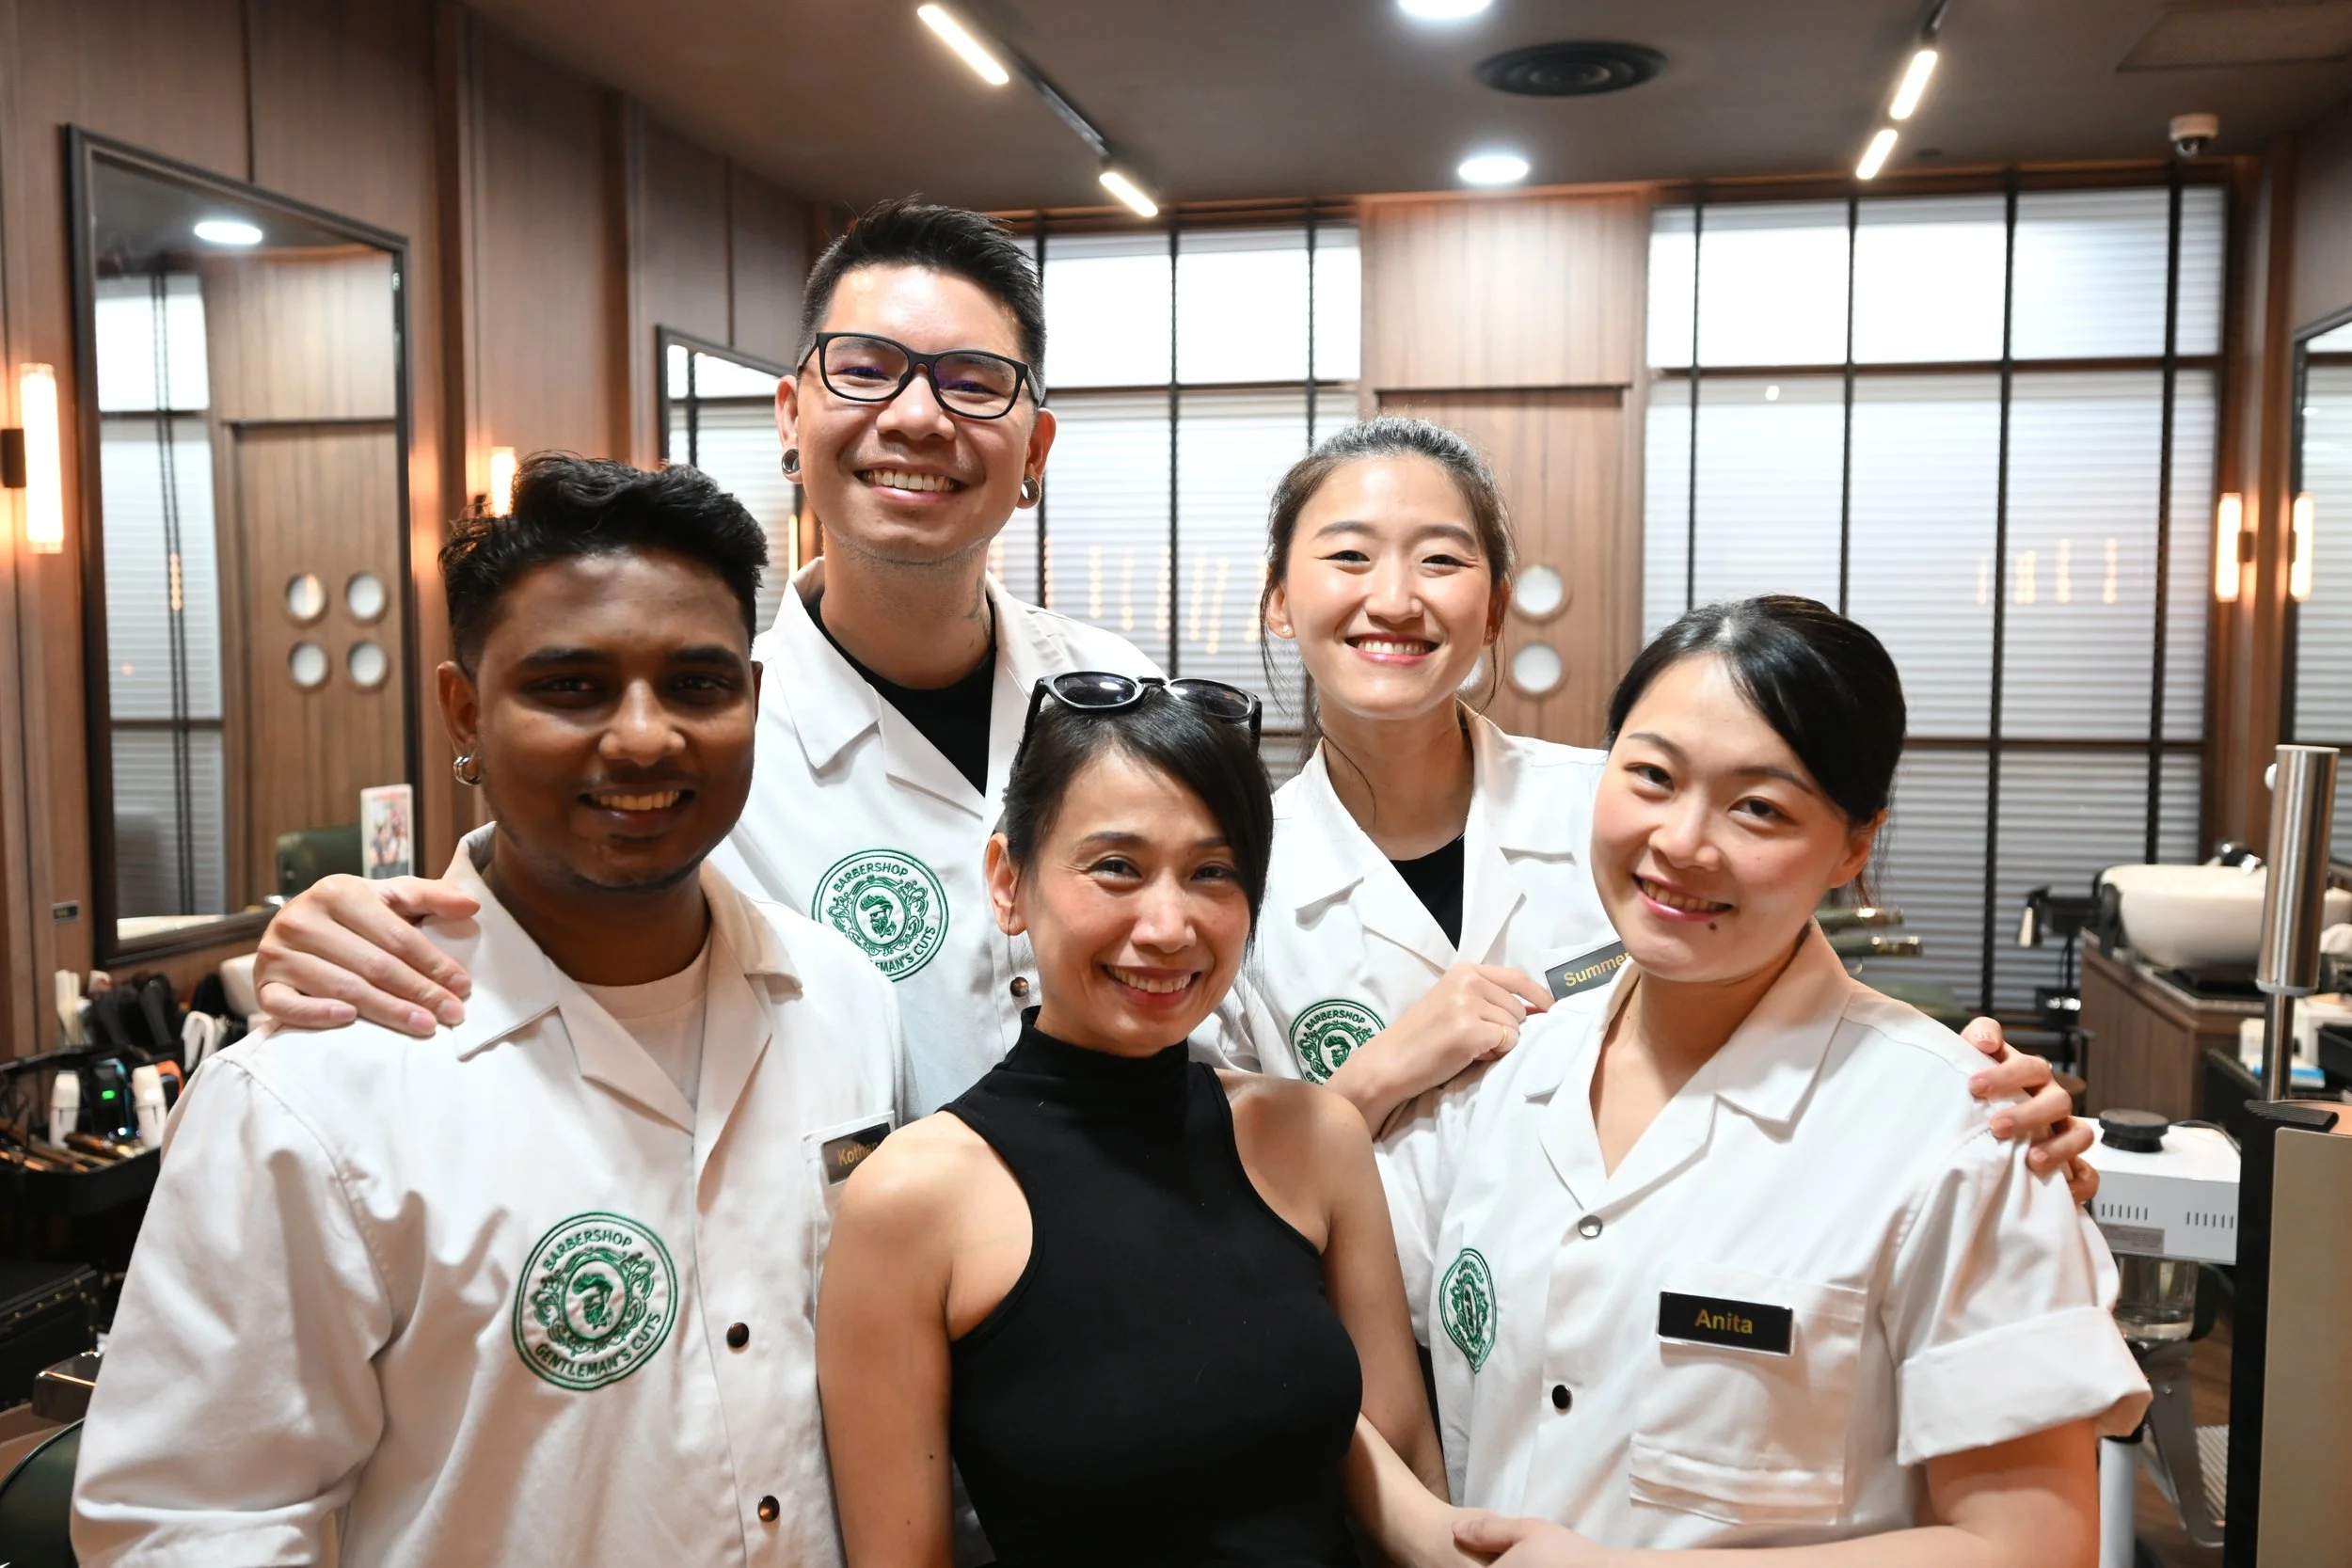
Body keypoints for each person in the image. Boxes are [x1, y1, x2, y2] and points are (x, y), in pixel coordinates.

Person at [72, 456, 902, 1565]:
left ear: (750, 697)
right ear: (465, 710)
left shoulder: (844, 995)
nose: (644, 736)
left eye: (697, 684)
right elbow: (190, 1523)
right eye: (572, 686)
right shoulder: (314, 1092)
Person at [248, 198, 1162, 1117]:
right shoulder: (705, 736)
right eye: (865, 370)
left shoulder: (1123, 694)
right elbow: (543, 882)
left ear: (1035, 448)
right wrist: (356, 921)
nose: (918, 417)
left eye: (973, 382)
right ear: (790, 417)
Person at [1377, 596, 2148, 1563]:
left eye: (1759, 807)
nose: (1682, 842)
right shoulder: (1503, 1073)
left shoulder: (1967, 1132)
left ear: (1854, 845)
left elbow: (2033, 1543)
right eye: (1651, 775)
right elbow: (1316, 1330)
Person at [1238, 417, 2092, 1188]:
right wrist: (1377, 1075)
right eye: (1349, 556)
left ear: (1495, 607)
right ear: (1278, 598)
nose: (1394, 598)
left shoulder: (1636, 812)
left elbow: (1797, 1015)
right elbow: (1209, 1179)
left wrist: (1955, 1107)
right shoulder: (1229, 870)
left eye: (1441, 560)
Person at [814, 673, 1466, 1568]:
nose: (1168, 926)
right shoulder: (913, 1196)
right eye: (1117, 867)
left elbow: (1410, 1481)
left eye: (1213, 873)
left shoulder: (1314, 1137)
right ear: (1008, 881)